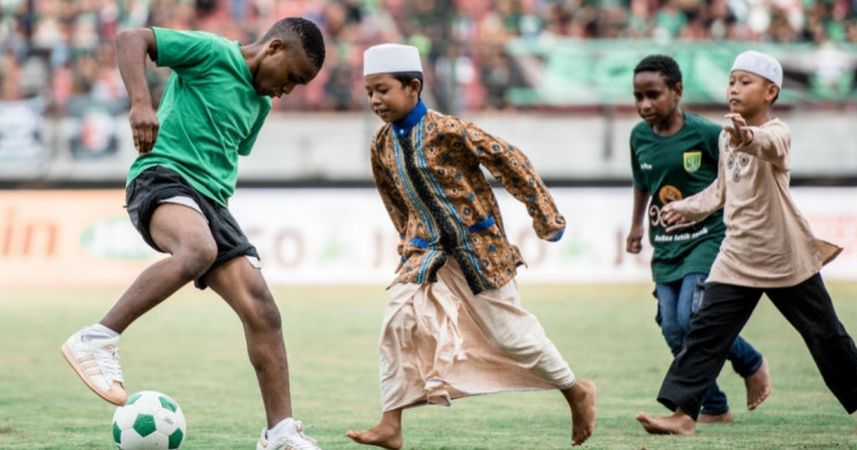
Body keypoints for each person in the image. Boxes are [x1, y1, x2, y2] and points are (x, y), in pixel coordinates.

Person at [59, 18, 327, 450]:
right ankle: (97, 338)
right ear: (274, 48)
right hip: (161, 178)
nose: (287, 90)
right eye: (292, 78)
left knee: (263, 310)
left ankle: (279, 434)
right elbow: (132, 38)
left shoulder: (260, 106)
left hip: (212, 204)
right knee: (197, 249)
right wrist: (141, 103)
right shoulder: (212, 52)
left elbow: (223, 150)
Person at [346, 43, 596, 449]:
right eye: (369, 91)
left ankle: (574, 390)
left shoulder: (449, 130)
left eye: (383, 90)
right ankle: (391, 423)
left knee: (512, 336)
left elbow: (510, 160)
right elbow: (393, 197)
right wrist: (405, 240)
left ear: (413, 87)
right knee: (397, 321)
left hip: (479, 250)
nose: (374, 100)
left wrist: (545, 215)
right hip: (426, 250)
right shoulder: (381, 145)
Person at [635, 50, 857, 436]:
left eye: (745, 82)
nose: (734, 89)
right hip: (737, 255)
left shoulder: (777, 133)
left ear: (771, 91)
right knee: (705, 330)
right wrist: (685, 207)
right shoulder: (724, 137)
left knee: (823, 333)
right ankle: (686, 414)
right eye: (732, 81)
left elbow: (767, 144)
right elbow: (721, 189)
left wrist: (745, 135)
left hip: (783, 255)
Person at [626, 54, 771, 423]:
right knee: (673, 329)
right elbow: (643, 184)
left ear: (677, 91)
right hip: (666, 245)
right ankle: (715, 406)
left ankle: (750, 362)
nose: (644, 104)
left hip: (707, 238)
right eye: (638, 96)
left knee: (693, 316)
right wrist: (637, 226)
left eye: (653, 94)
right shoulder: (638, 137)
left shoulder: (706, 134)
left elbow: (731, 181)